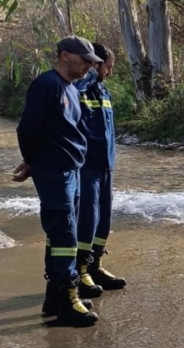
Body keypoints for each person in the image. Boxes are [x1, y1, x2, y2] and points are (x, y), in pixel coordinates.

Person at [14, 36, 102, 326]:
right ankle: (67, 298)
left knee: (62, 234)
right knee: (64, 233)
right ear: (65, 55)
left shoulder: (72, 89)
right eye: (85, 59)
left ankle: (55, 296)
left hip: (71, 169)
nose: (90, 66)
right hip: (54, 171)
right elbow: (28, 127)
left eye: (92, 62)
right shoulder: (47, 85)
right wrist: (33, 161)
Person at [74, 43, 126, 297]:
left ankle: (96, 267)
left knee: (103, 220)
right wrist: (91, 73)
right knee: (87, 219)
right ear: (94, 64)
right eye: (107, 67)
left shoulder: (103, 92)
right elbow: (74, 90)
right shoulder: (79, 86)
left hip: (105, 165)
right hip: (86, 167)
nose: (109, 72)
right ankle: (80, 270)